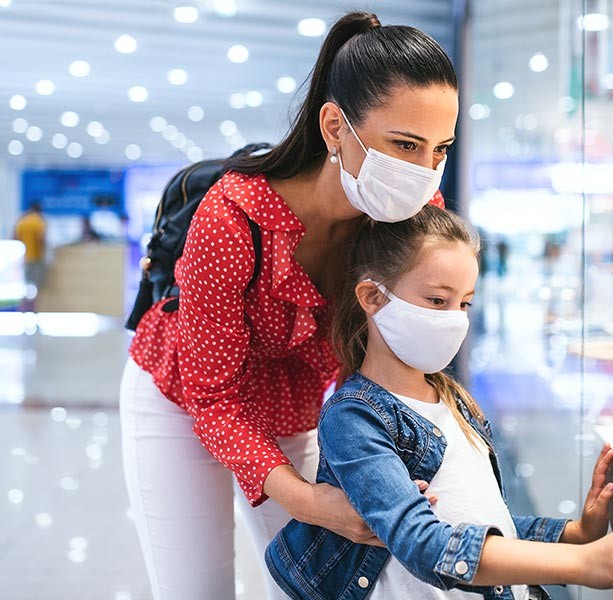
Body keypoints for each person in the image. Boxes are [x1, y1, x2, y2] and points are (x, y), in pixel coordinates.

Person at [119, 11, 456, 600]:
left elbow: (400, 347)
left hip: (291, 401)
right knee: (195, 588)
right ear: (335, 126)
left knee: (318, 585)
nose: (423, 173)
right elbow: (214, 398)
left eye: (439, 149)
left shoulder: (405, 217)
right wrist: (310, 500)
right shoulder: (233, 218)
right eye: (404, 144)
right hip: (182, 395)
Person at [266, 205, 613, 599]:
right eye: (437, 301)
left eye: (464, 303)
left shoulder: (453, 399)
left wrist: (577, 535)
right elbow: (425, 543)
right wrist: (580, 564)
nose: (455, 318)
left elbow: (486, 522)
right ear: (373, 297)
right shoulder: (354, 418)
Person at [14, 201, 47, 306]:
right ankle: (31, 305)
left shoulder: (22, 221)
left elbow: (15, 237)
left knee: (28, 283)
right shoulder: (39, 222)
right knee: (36, 285)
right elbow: (41, 240)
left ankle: (25, 305)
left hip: (27, 257)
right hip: (37, 257)